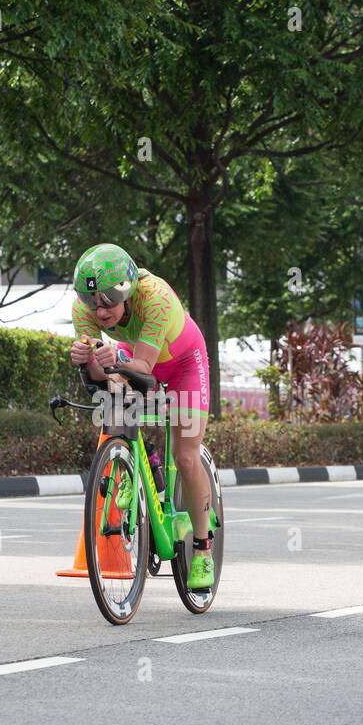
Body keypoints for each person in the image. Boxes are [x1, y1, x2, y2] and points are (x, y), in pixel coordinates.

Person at [68, 243, 215, 589]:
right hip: (133, 354)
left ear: (128, 291)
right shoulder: (84, 310)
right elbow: (100, 376)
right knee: (114, 401)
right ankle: (134, 464)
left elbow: (146, 369)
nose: (99, 311)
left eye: (107, 300)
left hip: (181, 363)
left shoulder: (156, 297)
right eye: (92, 302)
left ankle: (203, 549)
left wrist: (111, 364)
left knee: (186, 454)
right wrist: (84, 360)